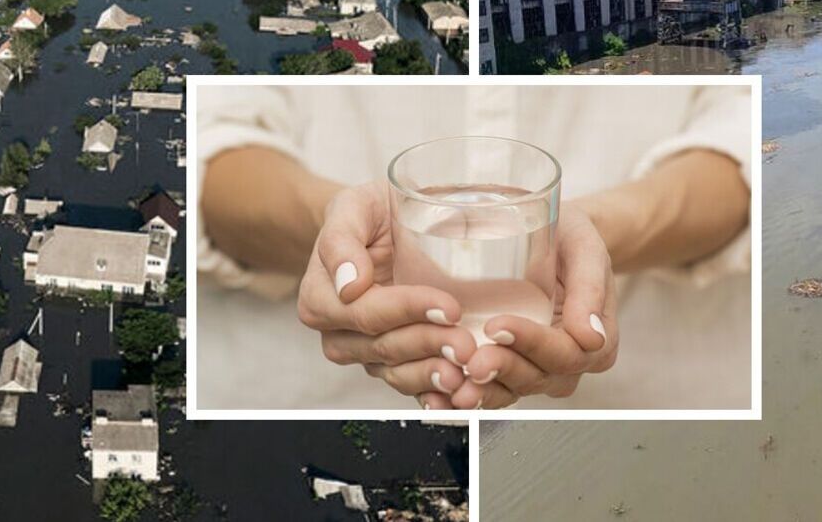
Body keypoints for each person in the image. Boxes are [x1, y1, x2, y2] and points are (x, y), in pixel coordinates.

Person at [196, 82, 753, 410]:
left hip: (653, 397)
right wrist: (338, 232)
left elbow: (745, 137)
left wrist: (595, 236)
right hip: (300, 397)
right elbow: (212, 143)